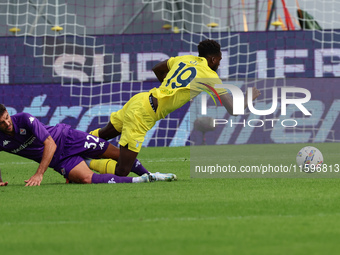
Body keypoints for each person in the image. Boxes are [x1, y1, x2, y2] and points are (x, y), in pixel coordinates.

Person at [89, 39, 261, 176]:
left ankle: (75, 146)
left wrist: (166, 88)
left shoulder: (184, 59)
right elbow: (233, 109)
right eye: (219, 61)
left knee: (104, 134)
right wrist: (249, 98)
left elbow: (157, 68)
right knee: (122, 171)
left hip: (140, 99)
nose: (219, 64)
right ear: (213, 59)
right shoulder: (210, 76)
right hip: (144, 113)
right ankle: (85, 163)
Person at [0, 104, 173, 186]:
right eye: (2, 122)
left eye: (7, 117)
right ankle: (138, 180)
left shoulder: (23, 118)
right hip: (59, 160)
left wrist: (39, 174)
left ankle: (151, 175)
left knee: (117, 155)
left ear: (9, 112)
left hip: (67, 138)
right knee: (86, 179)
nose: (7, 123)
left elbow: (49, 144)